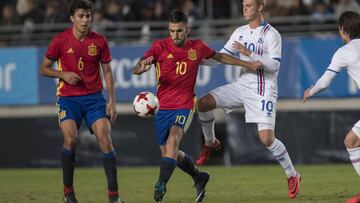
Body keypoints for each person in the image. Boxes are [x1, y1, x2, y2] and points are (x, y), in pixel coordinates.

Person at [132, 11, 261, 203]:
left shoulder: (197, 47)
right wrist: (139, 68)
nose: (175, 35)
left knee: (173, 141)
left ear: (187, 29)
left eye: (179, 31)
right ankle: (199, 177)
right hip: (161, 108)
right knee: (168, 153)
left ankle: (161, 185)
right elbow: (138, 66)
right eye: (172, 31)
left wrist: (246, 64)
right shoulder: (159, 47)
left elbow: (220, 57)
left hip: (184, 105)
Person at [195, 0, 301, 199]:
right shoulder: (239, 32)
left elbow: (274, 65)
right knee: (203, 103)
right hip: (242, 84)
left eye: (249, 5)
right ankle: (210, 142)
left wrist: (249, 53)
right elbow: (222, 57)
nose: (245, 8)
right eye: (244, 5)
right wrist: (199, 60)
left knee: (266, 139)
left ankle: (292, 174)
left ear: (260, 7)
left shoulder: (272, 34)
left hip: (264, 88)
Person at [39, 1, 122, 203]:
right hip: (68, 99)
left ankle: (114, 198)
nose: (85, 20)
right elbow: (43, 68)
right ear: (72, 18)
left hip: (94, 99)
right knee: (70, 139)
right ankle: (69, 193)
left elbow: (108, 72)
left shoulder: (100, 41)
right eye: (81, 16)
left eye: (88, 16)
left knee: (105, 138)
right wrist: (63, 74)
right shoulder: (60, 41)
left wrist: (112, 101)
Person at [303, 11, 360, 203]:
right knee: (353, 140)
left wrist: (310, 91)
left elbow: (325, 82)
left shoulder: (344, 52)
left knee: (351, 142)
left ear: (343, 31)